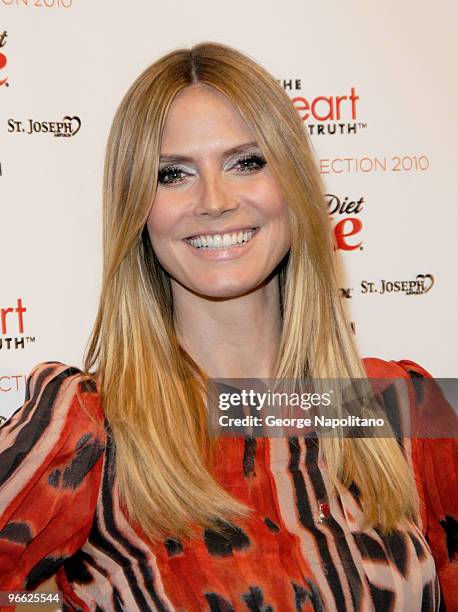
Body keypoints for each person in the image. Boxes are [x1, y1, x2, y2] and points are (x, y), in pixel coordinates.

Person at [0, 41, 456, 612]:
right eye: (173, 174)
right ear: (137, 211)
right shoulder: (92, 426)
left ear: (293, 185)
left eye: (247, 162)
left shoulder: (401, 409)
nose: (214, 201)